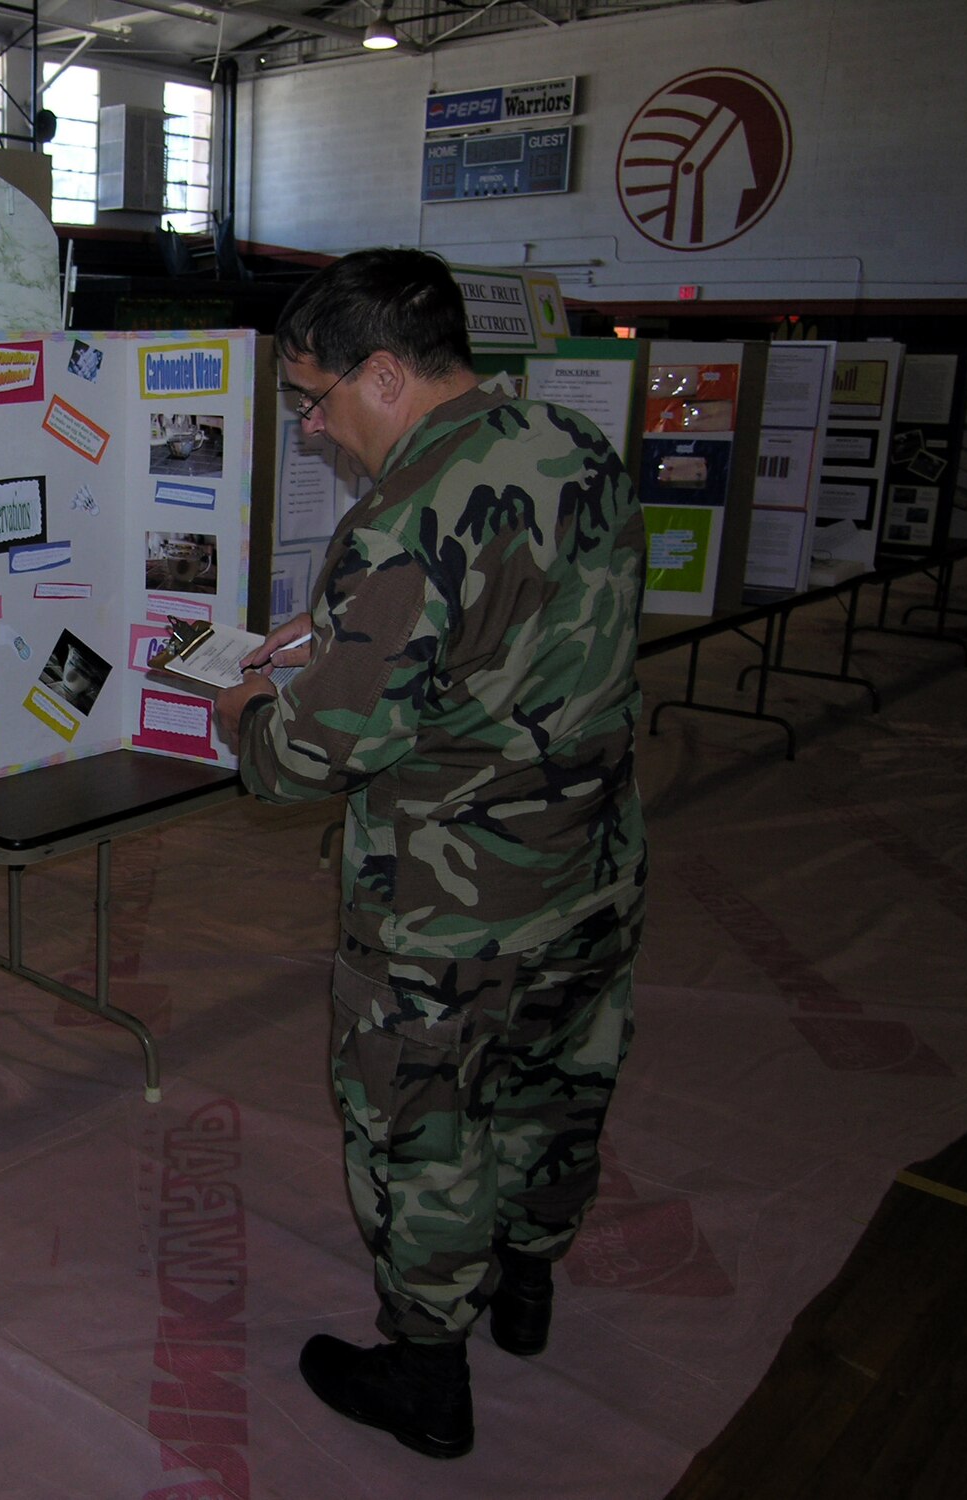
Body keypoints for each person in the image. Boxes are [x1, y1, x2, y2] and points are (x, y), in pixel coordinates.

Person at [214, 248, 647, 1461]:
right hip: (590, 866)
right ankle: (525, 1286)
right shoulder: (573, 443)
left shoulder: (398, 519)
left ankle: (422, 1372)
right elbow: (527, 621)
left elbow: (311, 755)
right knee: (554, 1084)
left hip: (445, 908)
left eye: (315, 398)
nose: (309, 428)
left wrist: (242, 712)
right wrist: (351, 631)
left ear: (388, 373)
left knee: (426, 1125)